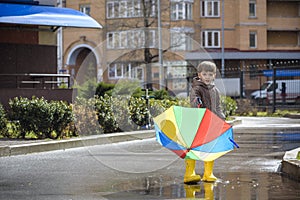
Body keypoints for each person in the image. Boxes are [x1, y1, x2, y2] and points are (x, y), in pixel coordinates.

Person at [184, 61, 225, 184]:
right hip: (198, 122)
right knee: (193, 147)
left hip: (211, 123)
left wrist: (221, 117)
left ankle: (208, 173)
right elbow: (194, 101)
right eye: (205, 74)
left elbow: (217, 107)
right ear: (199, 75)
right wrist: (197, 105)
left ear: (214, 76)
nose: (207, 77)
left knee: (210, 147)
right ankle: (189, 173)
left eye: (210, 74)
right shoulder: (196, 88)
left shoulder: (215, 90)